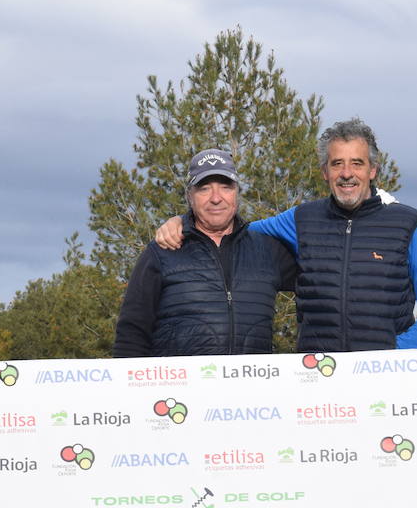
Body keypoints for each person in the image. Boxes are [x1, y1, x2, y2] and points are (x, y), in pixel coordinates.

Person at [155, 118, 417, 352]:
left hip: (385, 377)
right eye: (337, 163)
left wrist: (401, 350)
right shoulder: (301, 219)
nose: (346, 173)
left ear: (373, 170)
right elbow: (232, 230)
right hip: (318, 382)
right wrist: (184, 221)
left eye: (357, 163)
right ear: (325, 171)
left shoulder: (406, 223)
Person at [113, 148, 296, 357]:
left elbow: (322, 287)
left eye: (225, 187)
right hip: (180, 389)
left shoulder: (268, 249)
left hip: (251, 387)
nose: (216, 198)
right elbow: (131, 333)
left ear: (237, 192)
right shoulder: (161, 252)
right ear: (190, 196)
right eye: (204, 189)